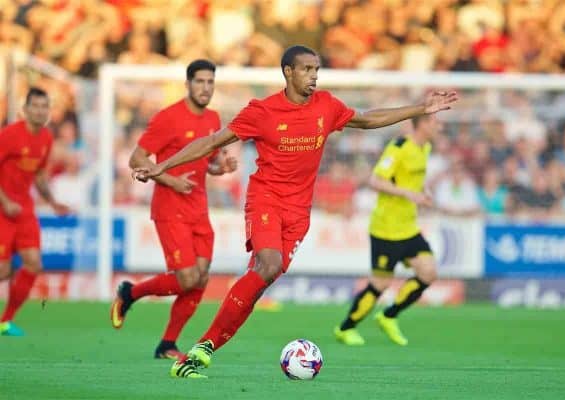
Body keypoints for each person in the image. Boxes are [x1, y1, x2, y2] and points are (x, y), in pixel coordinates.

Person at [133, 45, 458, 378]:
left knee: (262, 278)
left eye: (316, 70)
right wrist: (164, 166)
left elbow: (367, 119)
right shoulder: (263, 111)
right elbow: (212, 142)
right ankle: (202, 346)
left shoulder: (327, 106)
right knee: (268, 263)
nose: (314, 76)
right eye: (306, 69)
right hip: (265, 200)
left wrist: (421, 108)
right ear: (288, 72)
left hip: (299, 213)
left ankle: (203, 350)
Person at [110, 60, 237, 359]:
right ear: (188, 84)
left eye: (210, 82)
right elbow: (136, 159)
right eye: (200, 82)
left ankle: (167, 344)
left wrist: (221, 167)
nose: (206, 88)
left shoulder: (213, 118)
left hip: (199, 208)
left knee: (201, 277)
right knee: (187, 278)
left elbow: (210, 162)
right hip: (170, 208)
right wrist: (171, 180)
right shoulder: (168, 118)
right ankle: (130, 293)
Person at [334, 114, 440, 346]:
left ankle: (389, 315)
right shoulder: (399, 146)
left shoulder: (426, 148)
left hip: (409, 226)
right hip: (386, 228)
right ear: (421, 124)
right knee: (380, 284)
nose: (439, 126)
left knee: (428, 272)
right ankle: (345, 328)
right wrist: (409, 194)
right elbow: (376, 181)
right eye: (434, 122)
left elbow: (410, 180)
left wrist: (421, 193)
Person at [0, 87, 70, 336]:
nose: (40, 111)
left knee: (33, 262)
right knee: (4, 270)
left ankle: (5, 321)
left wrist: (53, 202)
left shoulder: (46, 138)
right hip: (2, 211)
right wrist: (5, 200)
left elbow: (39, 175)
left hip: (24, 210)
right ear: (25, 109)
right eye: (36, 106)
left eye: (44, 106)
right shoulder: (9, 135)